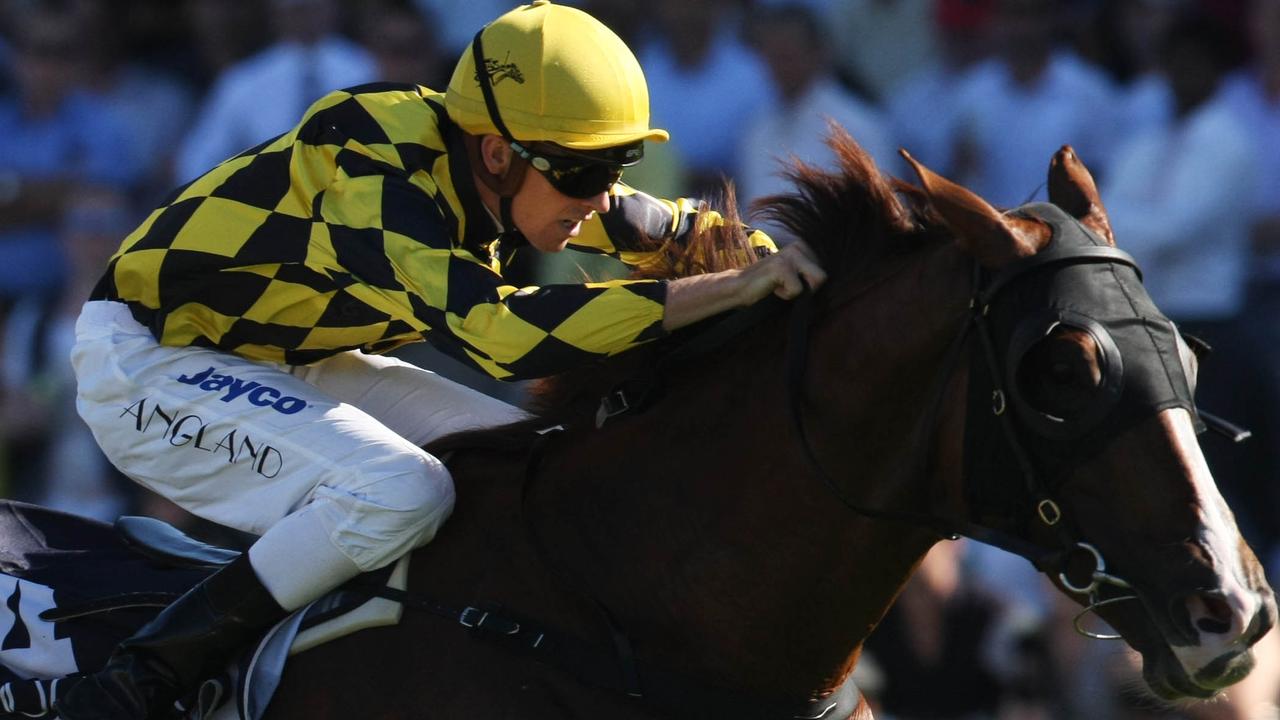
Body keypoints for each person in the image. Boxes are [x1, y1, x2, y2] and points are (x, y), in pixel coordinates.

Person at [53, 2, 825, 718]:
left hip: (289, 355)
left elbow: (657, 226)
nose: (602, 195)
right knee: (402, 492)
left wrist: (788, 261)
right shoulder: (371, 169)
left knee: (536, 462)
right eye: (586, 172)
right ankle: (140, 680)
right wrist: (732, 288)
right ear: (497, 152)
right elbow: (501, 336)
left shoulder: (509, 168)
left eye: (616, 165)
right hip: (147, 361)